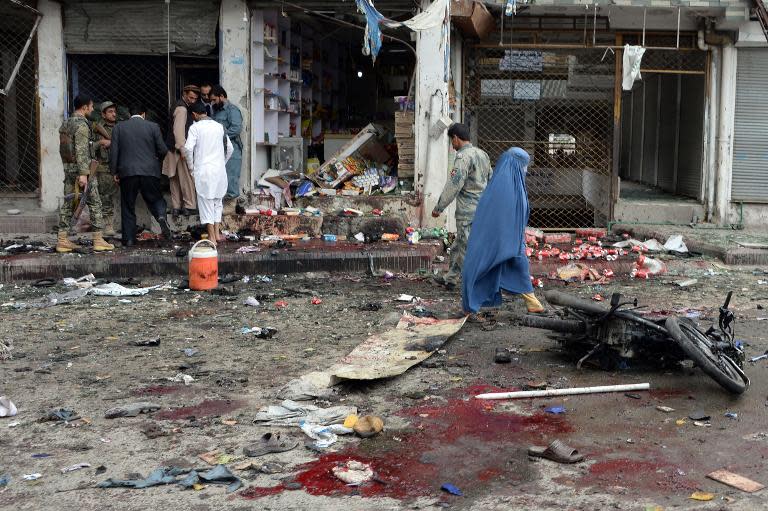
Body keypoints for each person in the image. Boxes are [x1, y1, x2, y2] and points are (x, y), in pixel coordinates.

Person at [461, 147, 544, 316]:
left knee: (514, 263)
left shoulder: (513, 181)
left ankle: (531, 301)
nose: (526, 170)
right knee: (513, 262)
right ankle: (530, 301)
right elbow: (500, 218)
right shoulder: (504, 188)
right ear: (514, 164)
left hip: (510, 237)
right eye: (523, 165)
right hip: (501, 238)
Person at [430, 123, 492, 288]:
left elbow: (454, 184)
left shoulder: (463, 157)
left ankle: (474, 283)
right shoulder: (482, 154)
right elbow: (491, 178)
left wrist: (439, 207)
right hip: (482, 209)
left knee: (466, 247)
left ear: (456, 138)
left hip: (467, 211)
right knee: (459, 245)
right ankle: (451, 279)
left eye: (452, 140)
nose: (452, 144)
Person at [56, 94, 114, 253]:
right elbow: (81, 151)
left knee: (68, 204)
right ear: (84, 107)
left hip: (69, 169)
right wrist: (83, 174)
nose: (93, 108)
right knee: (95, 202)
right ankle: (98, 239)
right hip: (83, 171)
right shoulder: (82, 125)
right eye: (91, 106)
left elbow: (65, 149)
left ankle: (62, 240)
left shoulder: (67, 123)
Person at [110, 103, 172, 247]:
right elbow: (163, 150)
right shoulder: (153, 127)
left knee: (128, 206)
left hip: (127, 172)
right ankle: (161, 216)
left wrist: (114, 171)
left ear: (129, 114)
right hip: (149, 171)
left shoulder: (119, 127)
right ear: (144, 114)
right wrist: (153, 159)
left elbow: (114, 152)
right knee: (155, 198)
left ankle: (129, 239)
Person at [184, 102, 233, 243]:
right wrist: (221, 163)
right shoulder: (219, 127)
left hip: (204, 171)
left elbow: (188, 149)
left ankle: (212, 237)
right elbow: (230, 148)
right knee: (217, 202)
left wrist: (191, 168)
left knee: (206, 204)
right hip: (219, 171)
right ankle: (217, 234)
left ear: (194, 115)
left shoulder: (195, 127)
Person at [163, 84, 199, 217]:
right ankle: (189, 206)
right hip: (179, 149)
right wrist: (183, 150)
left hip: (172, 148)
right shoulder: (182, 109)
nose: (192, 101)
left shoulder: (179, 106)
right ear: (184, 94)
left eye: (195, 98)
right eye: (190, 97)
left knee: (175, 178)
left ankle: (176, 207)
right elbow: (178, 131)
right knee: (186, 179)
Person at [210, 85, 243, 201]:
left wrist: (220, 137)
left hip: (232, 148)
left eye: (214, 99)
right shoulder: (215, 111)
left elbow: (236, 128)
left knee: (231, 178)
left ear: (222, 96)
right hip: (219, 150)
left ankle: (231, 208)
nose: (213, 103)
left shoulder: (232, 110)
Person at [94, 101, 120, 236]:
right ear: (103, 114)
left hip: (122, 167)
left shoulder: (121, 127)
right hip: (104, 169)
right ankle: (108, 225)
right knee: (106, 198)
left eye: (114, 111)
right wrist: (100, 143)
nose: (114, 114)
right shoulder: (96, 128)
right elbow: (88, 148)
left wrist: (112, 143)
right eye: (110, 112)